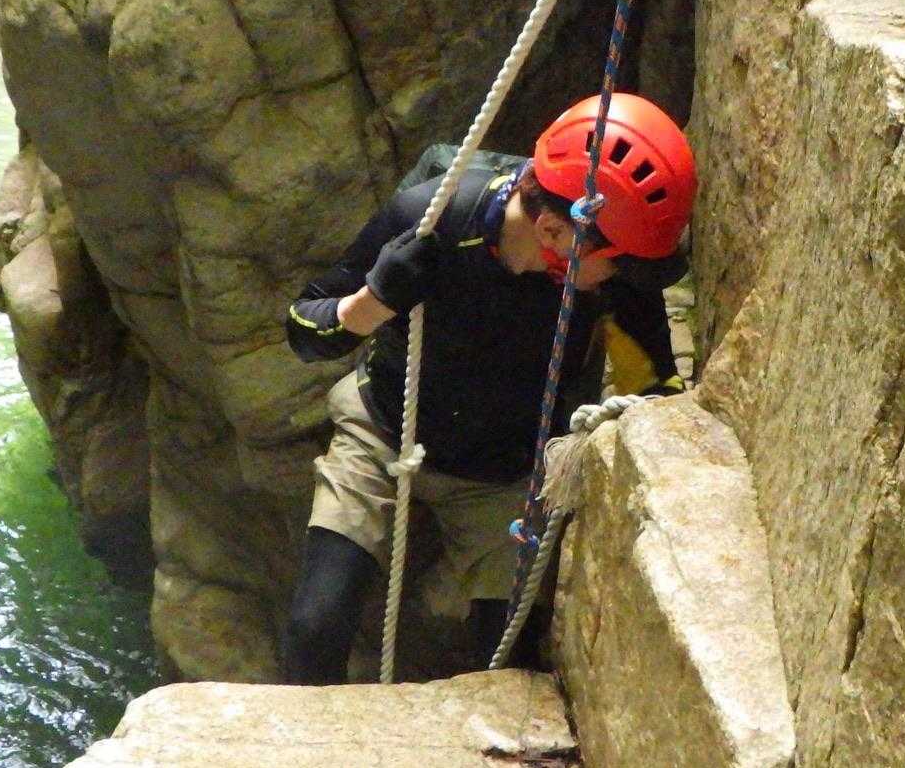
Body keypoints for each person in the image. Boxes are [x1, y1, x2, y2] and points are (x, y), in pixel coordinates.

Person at [281, 92, 697, 683]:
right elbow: (303, 328)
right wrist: (372, 302)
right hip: (383, 431)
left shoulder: (611, 271)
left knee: (509, 658)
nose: (629, 275)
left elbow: (653, 384)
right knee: (316, 625)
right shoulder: (434, 218)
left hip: (505, 473)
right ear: (553, 229)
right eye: (620, 261)